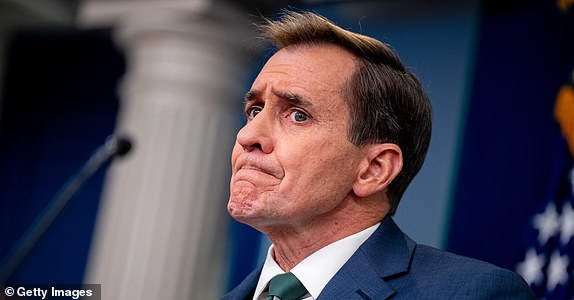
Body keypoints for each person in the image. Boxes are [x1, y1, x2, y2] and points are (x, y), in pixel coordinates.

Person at [222, 10, 536, 300]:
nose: (247, 136)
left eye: (298, 115)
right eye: (255, 110)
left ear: (374, 169)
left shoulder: (474, 294)